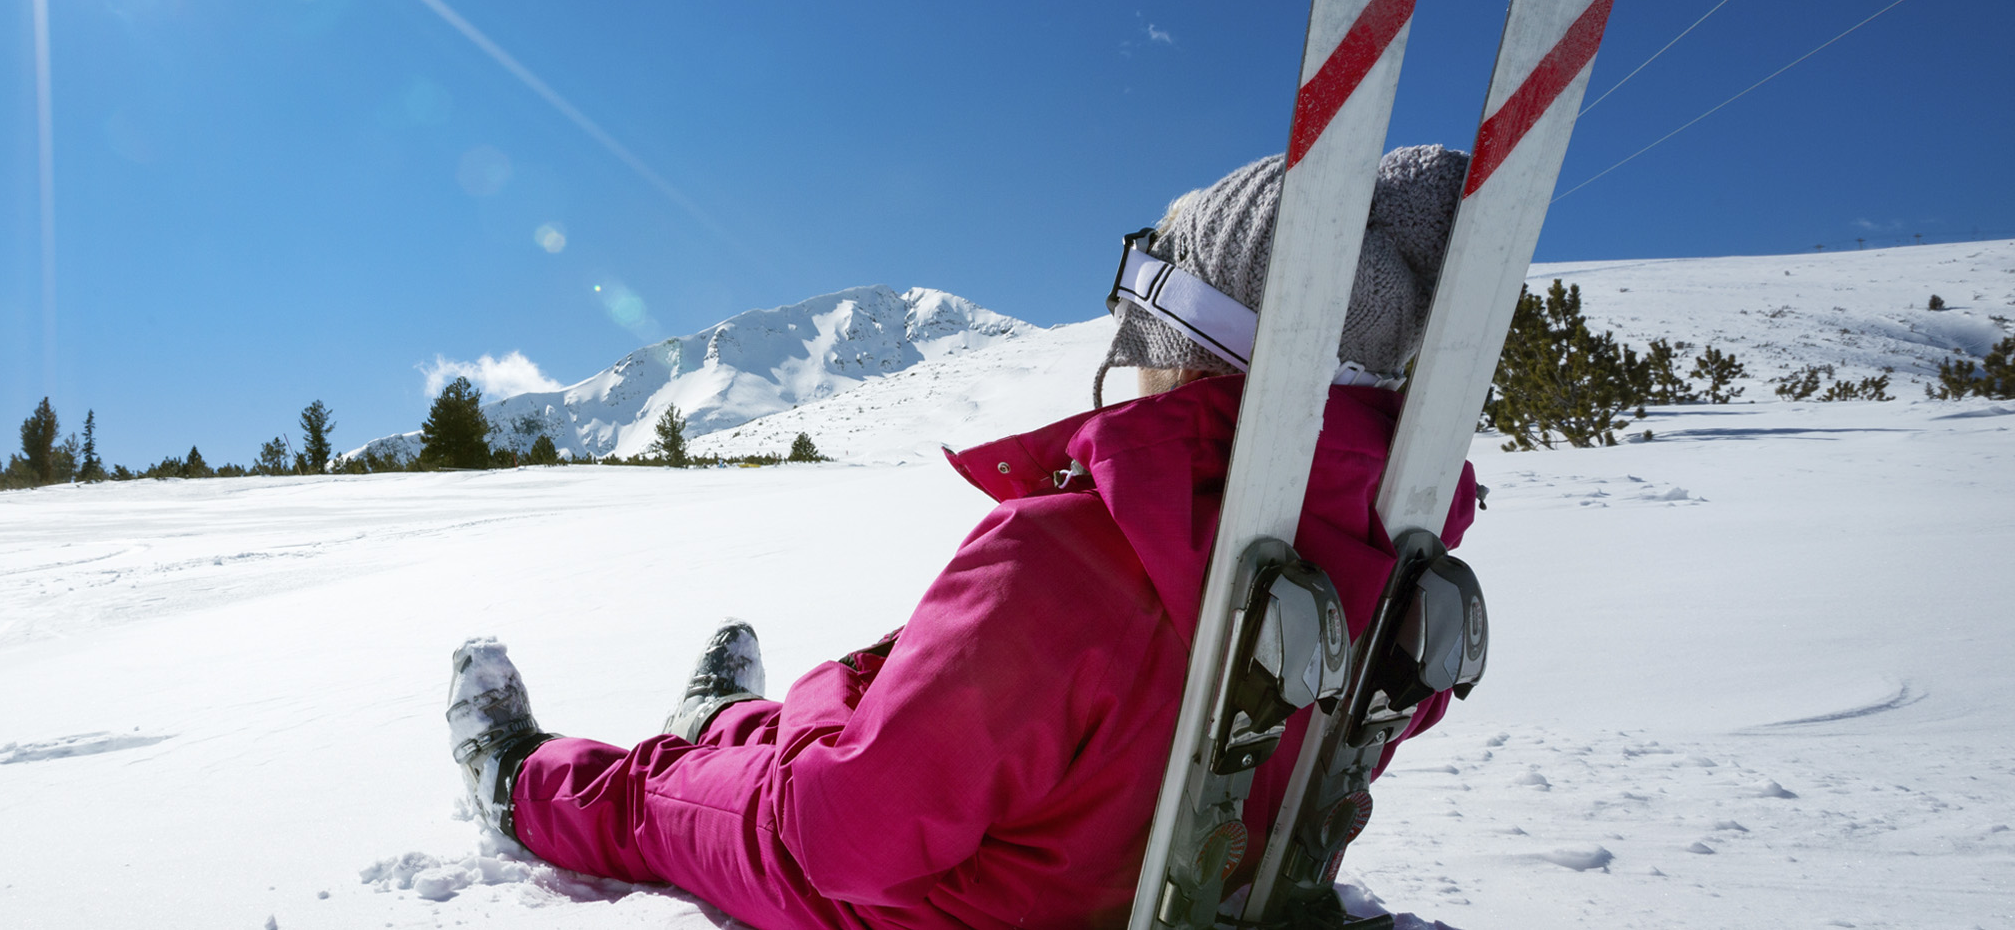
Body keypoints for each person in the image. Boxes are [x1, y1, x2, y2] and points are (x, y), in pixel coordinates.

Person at [444, 146, 1481, 930]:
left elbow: (838, 835)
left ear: (1183, 339)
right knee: (846, 714)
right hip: (1111, 863)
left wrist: (820, 713)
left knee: (674, 795)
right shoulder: (1392, 574)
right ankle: (727, 717)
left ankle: (522, 780)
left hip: (943, 900)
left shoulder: (1070, 562)